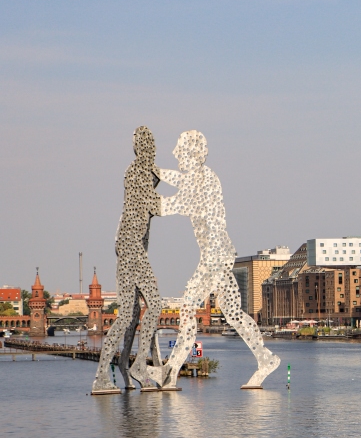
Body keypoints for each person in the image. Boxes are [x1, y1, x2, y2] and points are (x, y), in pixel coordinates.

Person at [157, 130, 281, 389]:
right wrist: (157, 171)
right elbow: (180, 180)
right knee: (233, 312)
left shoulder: (204, 179)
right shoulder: (200, 177)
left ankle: (170, 371)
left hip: (215, 256)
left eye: (180, 149)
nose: (175, 153)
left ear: (192, 153)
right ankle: (265, 358)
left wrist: (149, 201)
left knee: (188, 307)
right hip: (220, 254)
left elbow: (177, 204)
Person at [92, 126, 164, 393]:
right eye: (146, 145)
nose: (150, 149)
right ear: (138, 148)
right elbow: (154, 205)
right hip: (131, 247)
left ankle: (117, 368)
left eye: (151, 144)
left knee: (130, 315)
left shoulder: (142, 172)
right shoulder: (137, 173)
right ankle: (137, 367)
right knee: (155, 305)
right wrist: (189, 201)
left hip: (129, 248)